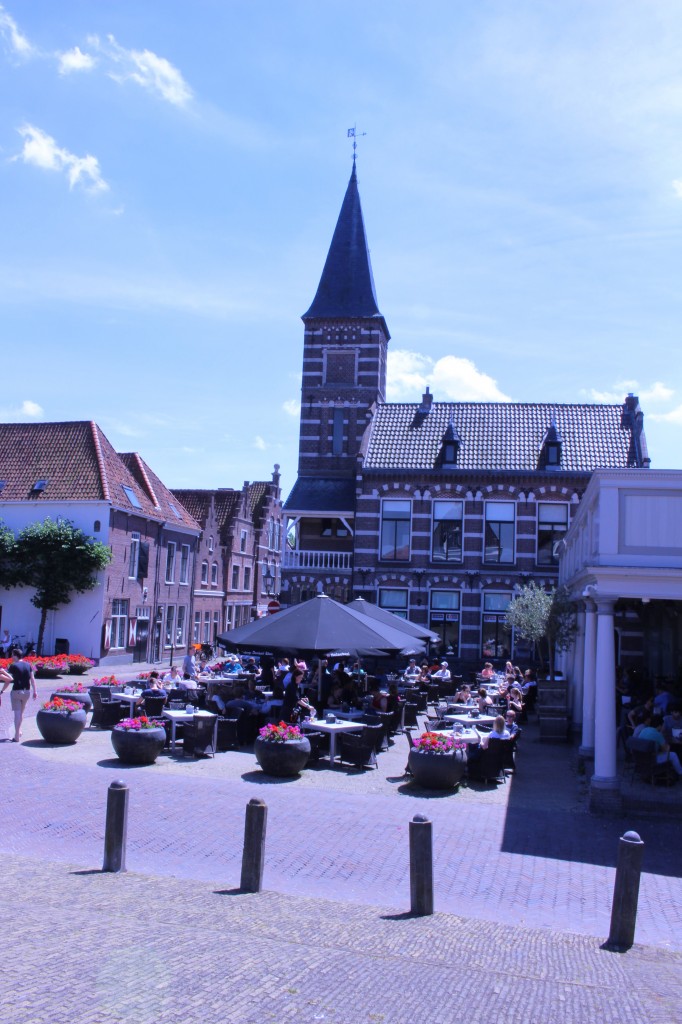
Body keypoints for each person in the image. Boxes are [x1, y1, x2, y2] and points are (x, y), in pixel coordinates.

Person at [0, 648, 38, 742]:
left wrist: (2, 690)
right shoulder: (28, 665)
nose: (11, 657)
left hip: (16, 691)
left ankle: (16, 736)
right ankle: (19, 730)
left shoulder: (13, 666)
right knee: (21, 713)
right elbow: (32, 679)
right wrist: (35, 691)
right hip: (27, 691)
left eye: (12, 655)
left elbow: (9, 679)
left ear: (16, 656)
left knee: (17, 713)